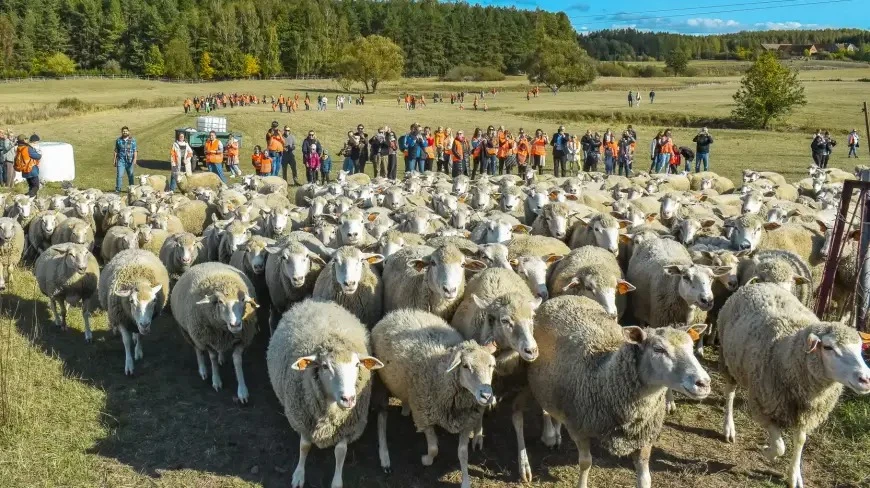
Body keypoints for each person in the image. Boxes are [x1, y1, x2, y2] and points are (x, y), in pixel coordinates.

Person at [113, 126, 137, 193]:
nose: (125, 132)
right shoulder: (118, 140)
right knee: (119, 175)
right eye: (123, 131)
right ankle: (118, 190)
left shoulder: (132, 140)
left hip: (130, 161)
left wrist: (135, 159)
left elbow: (135, 150)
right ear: (122, 132)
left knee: (131, 175)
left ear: (128, 132)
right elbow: (116, 151)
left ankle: (132, 189)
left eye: (126, 131)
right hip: (121, 160)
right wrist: (114, 160)